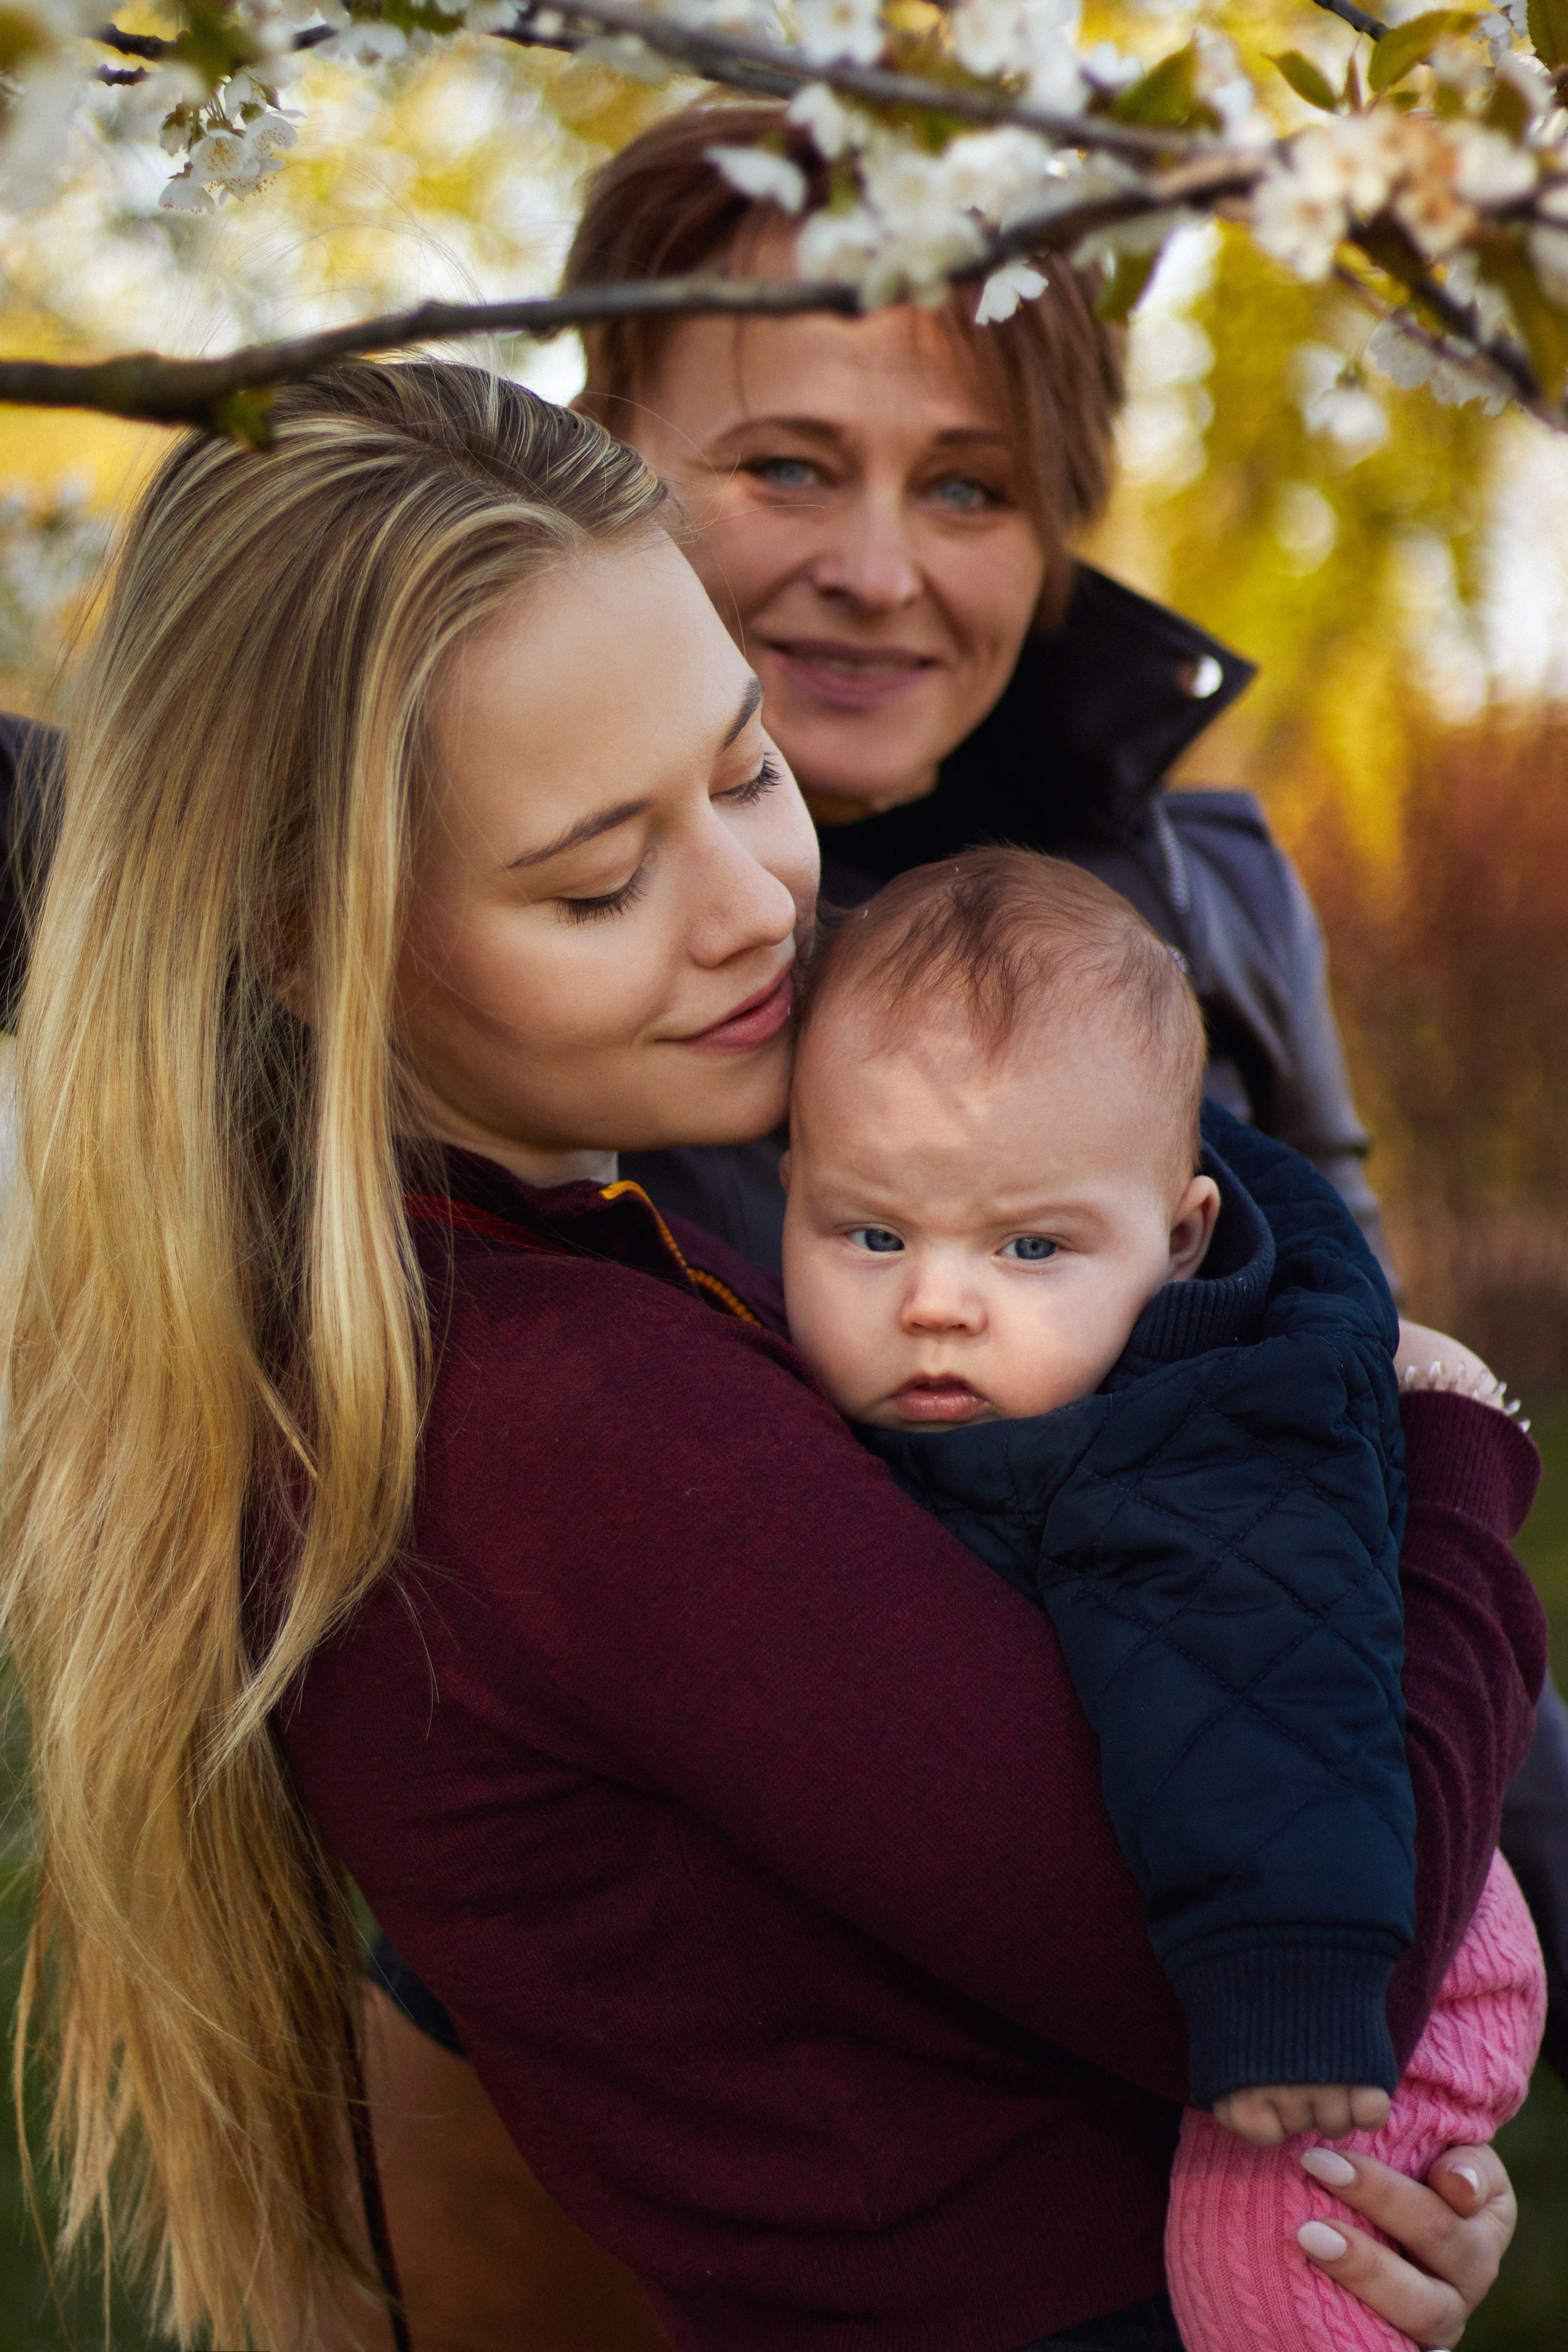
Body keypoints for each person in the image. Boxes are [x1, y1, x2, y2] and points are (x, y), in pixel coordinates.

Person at [0, 364, 1541, 2352]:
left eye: (741, 772)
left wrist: (1351, 2191)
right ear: (313, 937)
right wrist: (1451, 1445)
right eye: (596, 878)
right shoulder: (565, 1423)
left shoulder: (502, 1270)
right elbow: (1299, 1966)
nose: (753, 909)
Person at [777, 846, 1547, 2352]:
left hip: (1362, 1934)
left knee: (1259, 2271)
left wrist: (1295, 1996)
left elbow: (1264, 1705)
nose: (935, 1300)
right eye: (870, 1234)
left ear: (1178, 1239)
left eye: (1029, 1248)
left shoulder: (1193, 1448)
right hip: (1271, 1896)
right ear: (788, 1190)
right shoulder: (983, 1398)